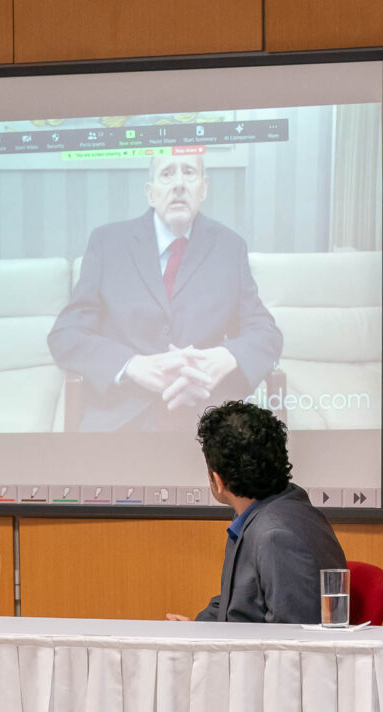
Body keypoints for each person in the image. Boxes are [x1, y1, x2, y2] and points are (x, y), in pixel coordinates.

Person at [47, 153, 283, 431]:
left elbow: (266, 333)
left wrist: (223, 358)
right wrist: (132, 365)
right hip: (124, 412)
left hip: (208, 413)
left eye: (189, 172)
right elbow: (66, 334)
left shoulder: (230, 248)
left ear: (204, 188)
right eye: (167, 174)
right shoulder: (108, 243)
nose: (179, 184)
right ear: (151, 193)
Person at [167, 400, 346, 623]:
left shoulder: (277, 536)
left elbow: (292, 645)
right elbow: (235, 602)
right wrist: (196, 630)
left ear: (218, 480)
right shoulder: (267, 512)